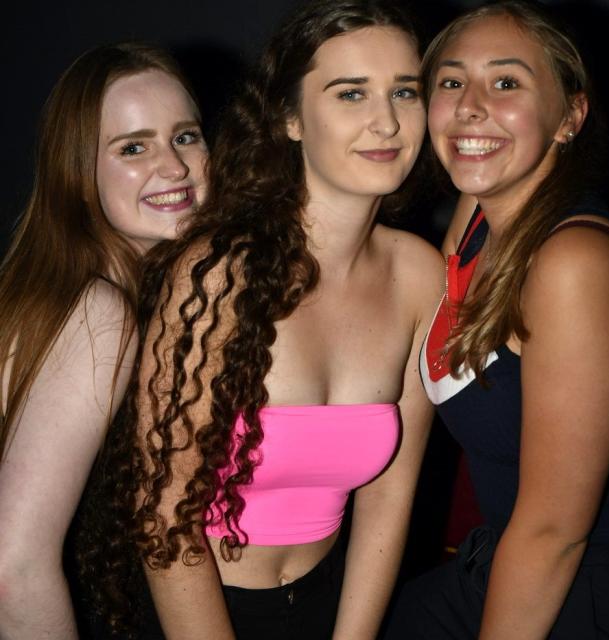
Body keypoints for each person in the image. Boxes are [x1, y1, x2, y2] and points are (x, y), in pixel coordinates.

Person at [91, 1, 443, 638]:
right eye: (351, 93)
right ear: (289, 118)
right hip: (199, 610)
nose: (386, 121)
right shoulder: (220, 273)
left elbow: (390, 497)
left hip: (329, 600)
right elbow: (163, 512)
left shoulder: (420, 275)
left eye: (404, 92)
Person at [385, 1, 609, 638]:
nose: (470, 105)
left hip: (585, 588)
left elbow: (555, 532)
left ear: (570, 117)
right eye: (451, 82)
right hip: (497, 556)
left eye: (506, 82)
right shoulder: (481, 220)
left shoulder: (574, 263)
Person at [0, 42, 207, 640]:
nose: (175, 167)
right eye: (133, 148)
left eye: (186, 137)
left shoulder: (86, 292)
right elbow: (14, 569)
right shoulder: (98, 312)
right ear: (77, 172)